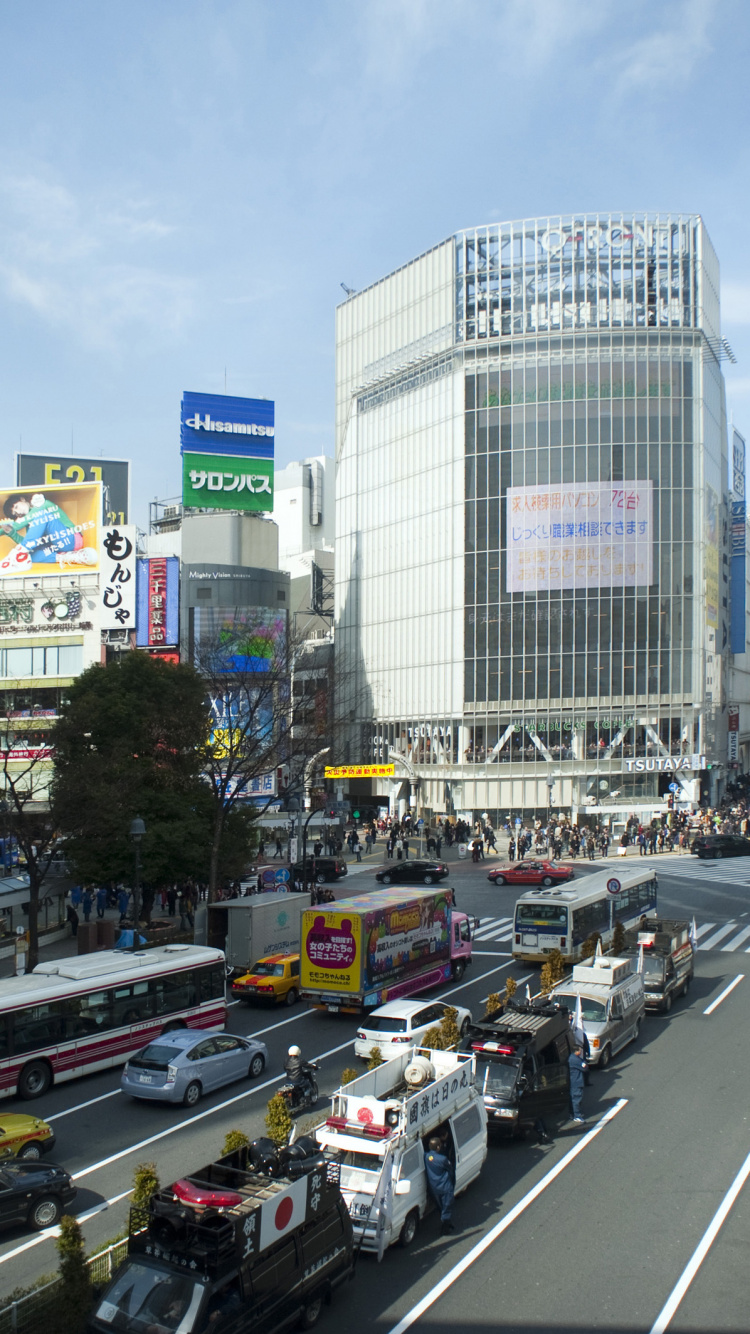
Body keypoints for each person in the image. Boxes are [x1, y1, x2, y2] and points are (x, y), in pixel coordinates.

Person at [0, 491, 98, 568]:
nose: (18, 512)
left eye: (16, 507)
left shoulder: (42, 505)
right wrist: (11, 533)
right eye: (15, 513)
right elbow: (30, 544)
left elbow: (19, 526)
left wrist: (7, 529)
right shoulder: (30, 523)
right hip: (59, 550)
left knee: (43, 516)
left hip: (71, 539)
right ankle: (68, 557)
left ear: (22, 499)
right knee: (29, 554)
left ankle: (21, 550)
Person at [423, 1136, 456, 1233]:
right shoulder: (443, 1159)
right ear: (438, 1147)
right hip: (445, 1187)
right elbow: (451, 1171)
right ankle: (445, 1228)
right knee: (447, 1206)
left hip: (433, 1187)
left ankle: (447, 1223)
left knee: (440, 1207)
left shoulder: (426, 1157)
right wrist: (452, 1183)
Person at [569, 1044, 586, 1124]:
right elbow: (584, 1068)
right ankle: (577, 1116)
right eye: (580, 1050)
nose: (580, 1052)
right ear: (576, 1051)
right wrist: (584, 1063)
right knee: (577, 1099)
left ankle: (574, 1114)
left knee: (575, 1098)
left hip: (575, 1082)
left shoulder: (573, 1058)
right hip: (576, 1082)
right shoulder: (575, 1060)